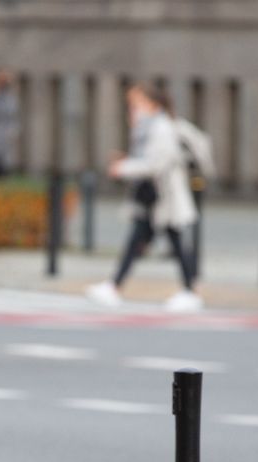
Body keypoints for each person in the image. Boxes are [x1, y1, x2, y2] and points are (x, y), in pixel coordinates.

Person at [86, 83, 201, 313]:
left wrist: (124, 167)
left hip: (163, 196)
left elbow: (156, 164)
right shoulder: (147, 128)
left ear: (153, 104)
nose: (134, 109)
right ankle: (115, 286)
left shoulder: (161, 127)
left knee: (173, 241)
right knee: (142, 240)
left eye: (138, 103)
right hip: (153, 196)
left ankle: (189, 292)